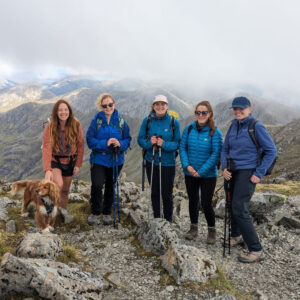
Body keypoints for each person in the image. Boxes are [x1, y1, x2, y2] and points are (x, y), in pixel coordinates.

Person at [221, 96, 277, 263]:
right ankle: (236, 235)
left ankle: (255, 249)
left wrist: (259, 173)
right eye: (235, 108)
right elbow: (225, 149)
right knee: (231, 204)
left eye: (241, 108)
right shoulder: (233, 125)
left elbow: (271, 151)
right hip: (231, 170)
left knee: (239, 207)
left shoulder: (256, 126)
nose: (238, 111)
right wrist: (224, 167)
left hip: (248, 172)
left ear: (249, 109)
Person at [180, 100, 222, 243]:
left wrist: (202, 171)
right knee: (193, 201)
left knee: (206, 203)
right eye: (198, 112)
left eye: (204, 112)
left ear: (210, 114)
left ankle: (212, 230)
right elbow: (183, 148)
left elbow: (216, 154)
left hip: (208, 175)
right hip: (190, 173)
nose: (201, 115)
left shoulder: (215, 131)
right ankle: (193, 228)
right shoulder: (189, 129)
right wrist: (187, 166)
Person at [86, 93, 131, 225]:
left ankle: (106, 213)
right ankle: (95, 212)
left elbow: (128, 140)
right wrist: (105, 143)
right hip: (99, 159)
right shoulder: (96, 121)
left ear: (114, 105)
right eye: (105, 106)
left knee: (111, 186)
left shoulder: (121, 122)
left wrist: (120, 144)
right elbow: (90, 140)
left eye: (110, 105)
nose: (108, 107)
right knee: (97, 185)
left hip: (116, 160)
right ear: (101, 107)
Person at [138, 95, 180, 222]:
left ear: (167, 106)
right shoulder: (148, 120)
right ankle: (157, 218)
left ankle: (168, 220)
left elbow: (178, 143)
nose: (160, 106)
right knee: (155, 192)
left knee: (166, 193)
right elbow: (140, 140)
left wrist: (164, 144)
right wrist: (149, 143)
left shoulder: (174, 122)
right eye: (157, 104)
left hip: (168, 162)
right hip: (151, 161)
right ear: (153, 106)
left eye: (163, 104)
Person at [42, 99, 84, 224]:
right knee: (58, 185)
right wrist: (48, 169)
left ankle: (63, 211)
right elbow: (46, 147)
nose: (63, 112)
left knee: (65, 190)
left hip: (70, 161)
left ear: (69, 112)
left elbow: (80, 145)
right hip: (55, 160)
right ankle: (49, 212)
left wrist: (78, 164)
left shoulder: (76, 124)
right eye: (60, 110)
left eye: (65, 110)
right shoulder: (50, 126)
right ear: (56, 112)